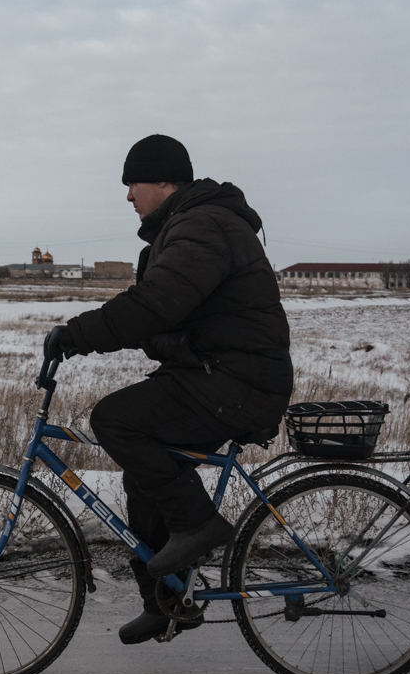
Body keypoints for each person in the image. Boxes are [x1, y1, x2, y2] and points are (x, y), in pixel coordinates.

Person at [44, 134, 293, 645]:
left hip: (238, 382)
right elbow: (165, 315)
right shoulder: (188, 226)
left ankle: (198, 524)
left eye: (132, 183)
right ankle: (166, 600)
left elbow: (157, 303)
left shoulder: (203, 226)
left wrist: (78, 335)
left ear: (162, 180)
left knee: (115, 419)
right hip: (220, 374)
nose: (128, 195)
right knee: (145, 476)